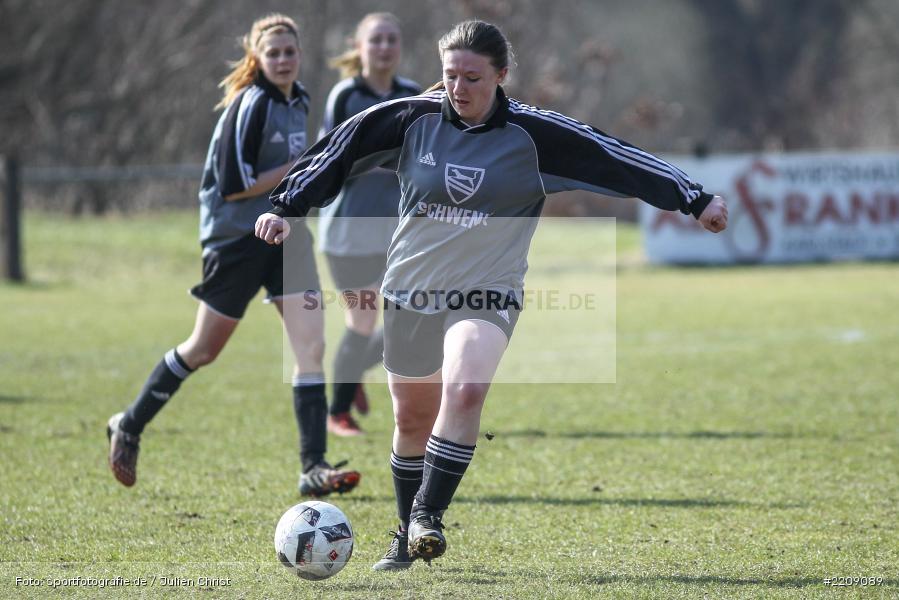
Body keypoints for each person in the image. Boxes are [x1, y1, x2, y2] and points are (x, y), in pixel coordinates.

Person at [256, 20, 728, 568]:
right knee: (411, 420)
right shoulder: (409, 120)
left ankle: (428, 517)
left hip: (487, 290)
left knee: (464, 390)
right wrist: (285, 206)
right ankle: (406, 536)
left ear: (502, 76)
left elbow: (614, 157)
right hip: (411, 288)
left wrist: (693, 198)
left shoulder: (535, 136)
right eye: (450, 75)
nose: (458, 87)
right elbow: (339, 149)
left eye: (472, 77)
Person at [106, 13, 360, 498]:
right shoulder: (252, 103)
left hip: (287, 234)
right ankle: (130, 424)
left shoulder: (299, 100)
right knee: (204, 349)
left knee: (310, 348)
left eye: (290, 52)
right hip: (237, 240)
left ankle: (313, 467)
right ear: (258, 58)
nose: (284, 60)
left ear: (300, 56)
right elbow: (235, 184)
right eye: (274, 53)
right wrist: (300, 169)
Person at [317, 13, 421, 437]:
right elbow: (331, 159)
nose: (384, 47)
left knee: (411, 319)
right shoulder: (346, 95)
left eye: (391, 39)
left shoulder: (414, 94)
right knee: (362, 321)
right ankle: (337, 411)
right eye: (375, 40)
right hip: (348, 233)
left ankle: (352, 368)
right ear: (359, 47)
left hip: (398, 233)